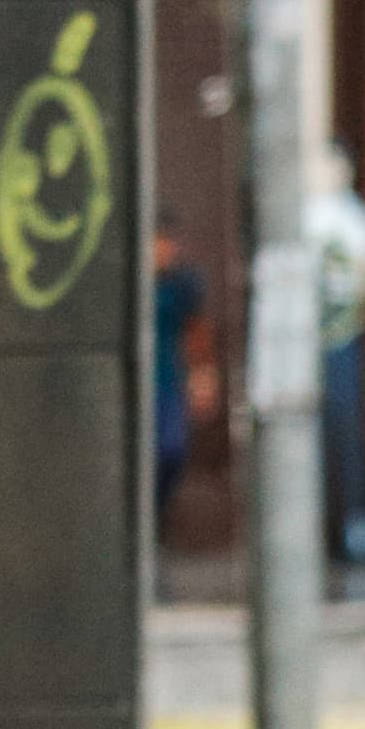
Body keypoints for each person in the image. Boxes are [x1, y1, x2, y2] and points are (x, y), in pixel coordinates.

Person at [310, 144, 365, 582]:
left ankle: (353, 524)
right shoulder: (303, 213)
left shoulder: (355, 220)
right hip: (314, 339)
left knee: (344, 429)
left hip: (341, 338)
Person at [152, 219, 209, 525]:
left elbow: (196, 331)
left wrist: (201, 375)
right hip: (145, 382)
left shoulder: (182, 284)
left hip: (168, 381)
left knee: (171, 449)